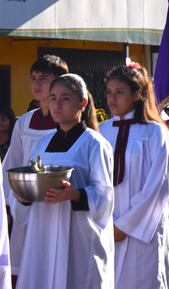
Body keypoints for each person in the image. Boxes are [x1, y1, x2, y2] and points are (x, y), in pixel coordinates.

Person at [13, 73, 113, 288]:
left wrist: (75, 194)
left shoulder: (94, 144)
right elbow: (32, 185)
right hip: (41, 232)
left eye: (65, 98)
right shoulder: (41, 143)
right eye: (53, 98)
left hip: (77, 235)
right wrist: (23, 196)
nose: (57, 104)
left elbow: (105, 194)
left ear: (82, 102)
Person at [98, 64, 169, 289]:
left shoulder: (154, 131)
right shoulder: (101, 130)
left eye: (119, 92)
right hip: (109, 224)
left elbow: (157, 185)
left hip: (144, 228)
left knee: (144, 278)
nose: (112, 98)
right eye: (109, 92)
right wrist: (106, 221)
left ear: (137, 94)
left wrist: (126, 225)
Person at [3, 54, 68, 279]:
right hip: (24, 205)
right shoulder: (24, 122)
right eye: (33, 78)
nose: (37, 83)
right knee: (24, 271)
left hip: (56, 204)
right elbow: (11, 165)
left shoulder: (68, 121)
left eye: (44, 78)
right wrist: (12, 203)